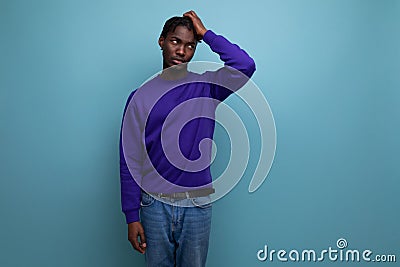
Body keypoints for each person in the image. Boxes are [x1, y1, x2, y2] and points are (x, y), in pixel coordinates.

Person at [120, 10, 256, 267]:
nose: (181, 51)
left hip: (197, 204)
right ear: (161, 41)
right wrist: (131, 215)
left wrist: (206, 34)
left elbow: (245, 65)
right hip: (153, 205)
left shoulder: (207, 88)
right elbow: (129, 159)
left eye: (190, 45)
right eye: (175, 41)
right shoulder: (139, 97)